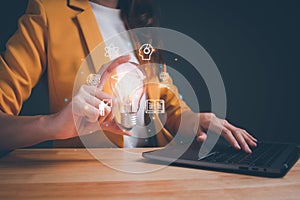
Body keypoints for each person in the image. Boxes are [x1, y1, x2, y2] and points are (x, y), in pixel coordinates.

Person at [0, 0, 257, 152]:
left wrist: (195, 120)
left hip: (145, 180)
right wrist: (53, 124)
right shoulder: (49, 13)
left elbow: (169, 105)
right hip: (82, 184)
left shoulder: (142, 24)